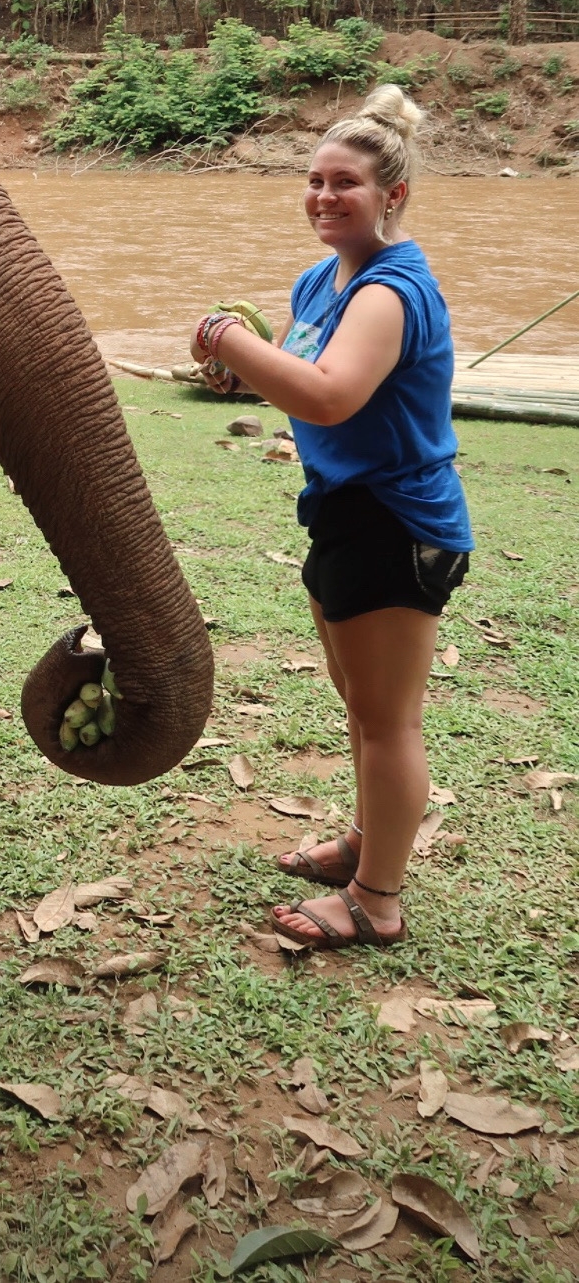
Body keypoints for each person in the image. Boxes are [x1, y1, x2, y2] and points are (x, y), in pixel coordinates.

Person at [189, 84, 472, 950]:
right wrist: (240, 368)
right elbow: (293, 370)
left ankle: (376, 899)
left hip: (398, 524)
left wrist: (223, 336)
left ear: (394, 196)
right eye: (313, 179)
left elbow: (333, 394)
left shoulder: (390, 292)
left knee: (389, 720)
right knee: (360, 705)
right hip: (344, 516)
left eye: (343, 182)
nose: (322, 196)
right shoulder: (321, 278)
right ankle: (367, 837)